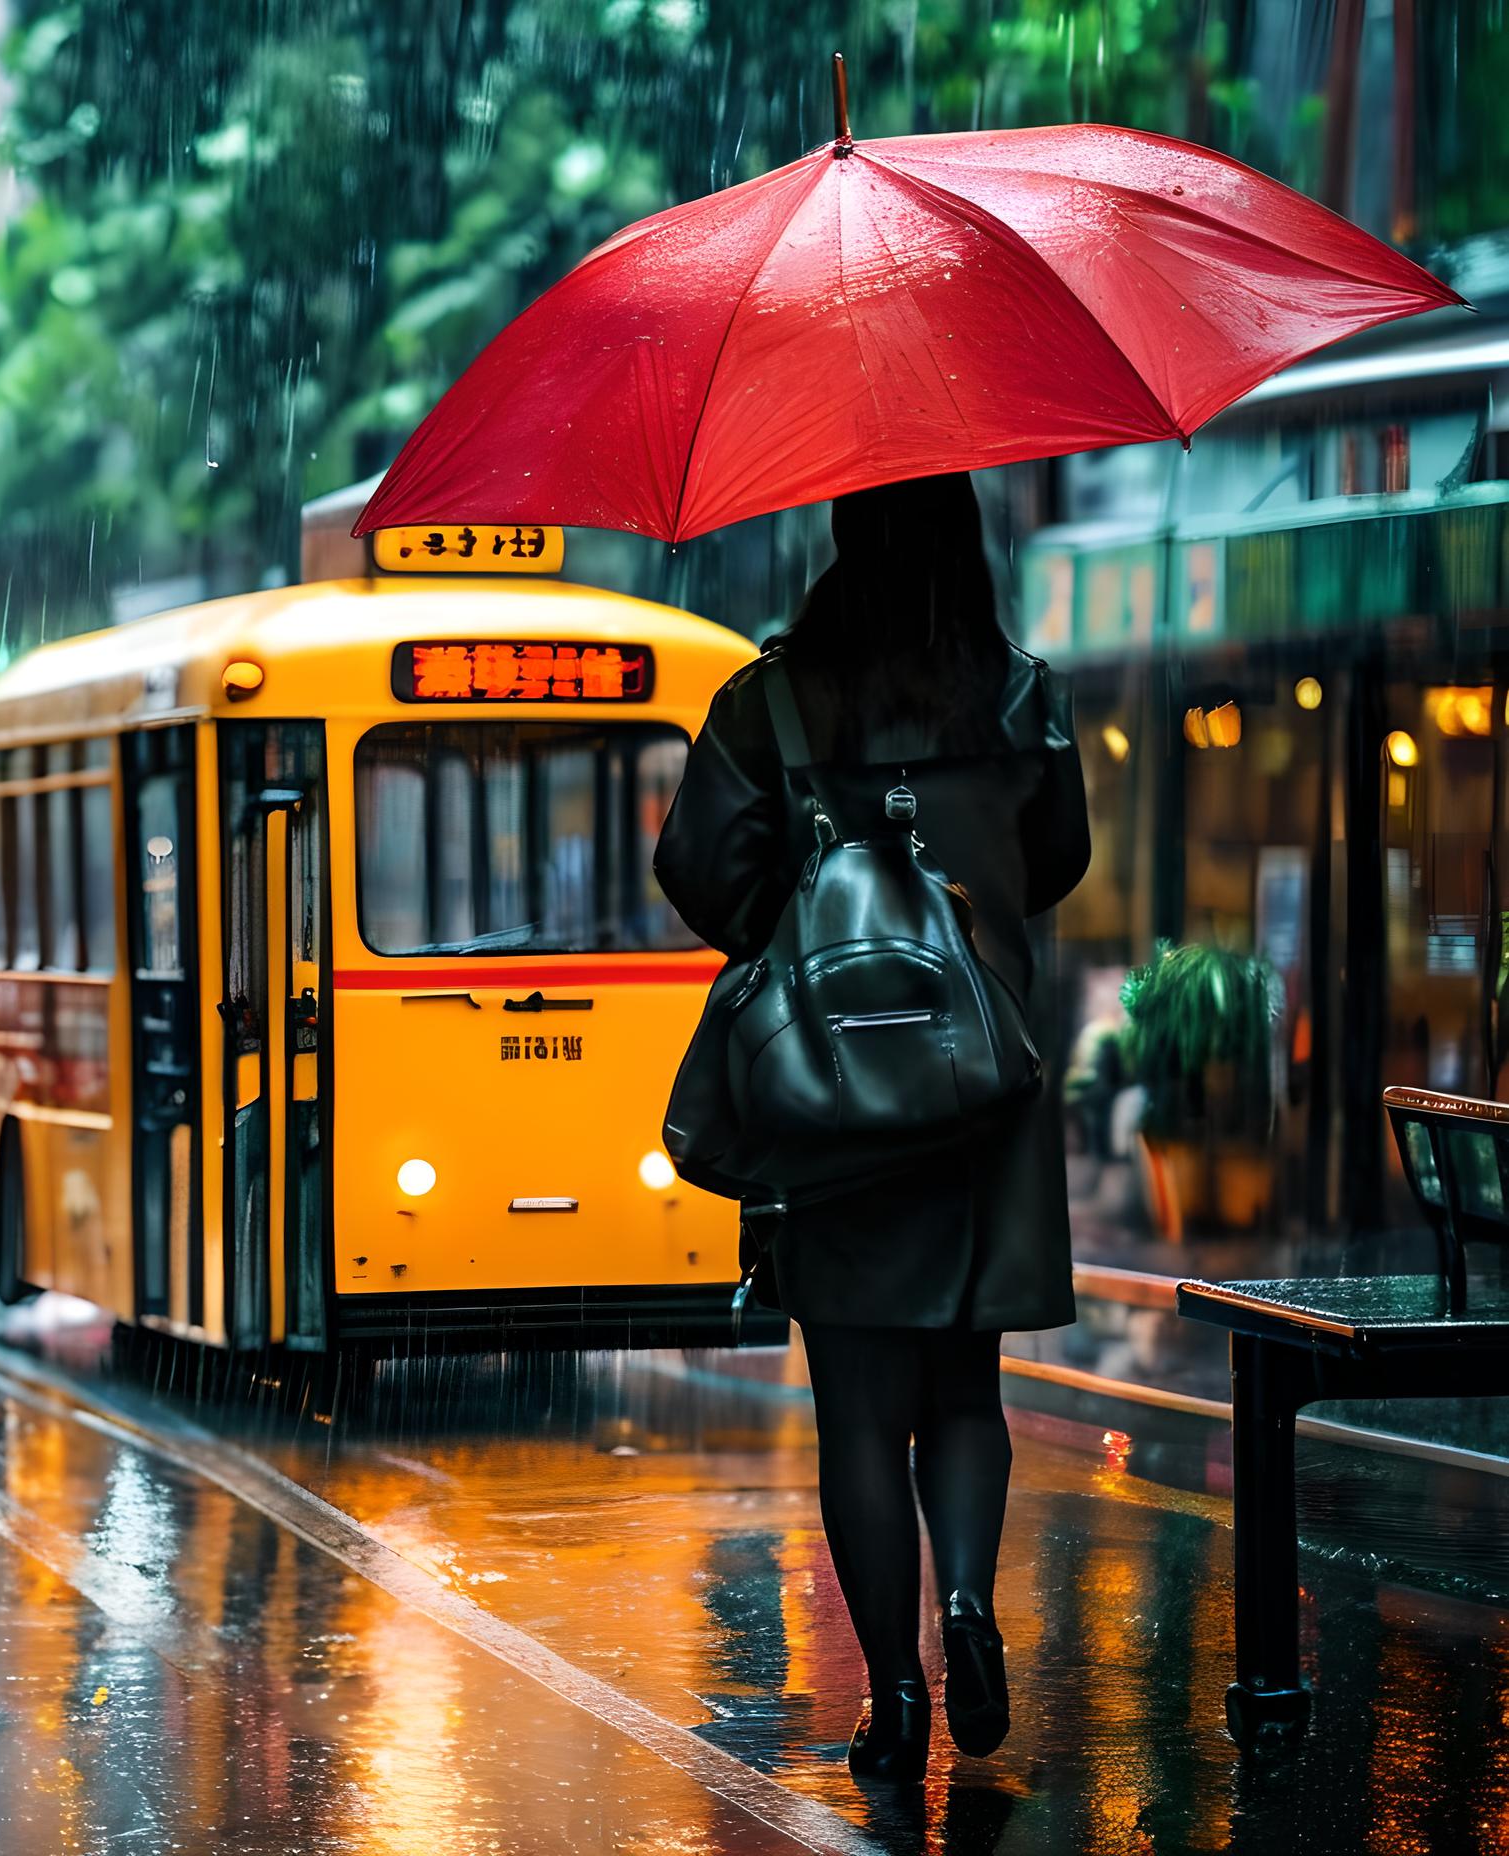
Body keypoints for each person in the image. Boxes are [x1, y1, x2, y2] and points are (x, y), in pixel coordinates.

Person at [655, 473, 1090, 1782]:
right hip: (983, 1089)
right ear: (965, 541)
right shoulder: (1019, 695)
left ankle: (893, 1694)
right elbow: (1058, 862)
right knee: (964, 1391)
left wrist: (811, 908)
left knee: (855, 1411)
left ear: (843, 538)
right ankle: (966, 1598)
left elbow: (696, 873)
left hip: (832, 1099)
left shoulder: (769, 702)